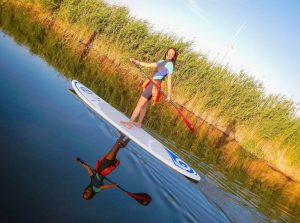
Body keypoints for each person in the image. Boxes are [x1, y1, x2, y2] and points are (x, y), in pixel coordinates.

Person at [121, 47, 178, 129]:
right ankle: (139, 124)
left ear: (173, 56)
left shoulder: (170, 64)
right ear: (166, 53)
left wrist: (169, 94)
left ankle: (129, 124)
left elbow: (169, 81)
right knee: (143, 105)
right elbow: (150, 65)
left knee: (139, 104)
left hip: (154, 85)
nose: (170, 55)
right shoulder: (162, 61)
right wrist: (137, 62)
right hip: (151, 83)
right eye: (169, 53)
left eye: (172, 54)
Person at [75, 134, 130, 200]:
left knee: (117, 148)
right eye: (87, 195)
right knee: (115, 147)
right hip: (104, 167)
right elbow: (103, 187)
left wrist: (81, 161)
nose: (86, 192)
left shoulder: (92, 181)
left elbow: (88, 168)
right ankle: (123, 135)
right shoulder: (95, 189)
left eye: (84, 193)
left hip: (103, 165)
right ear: (90, 195)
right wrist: (112, 185)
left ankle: (128, 138)